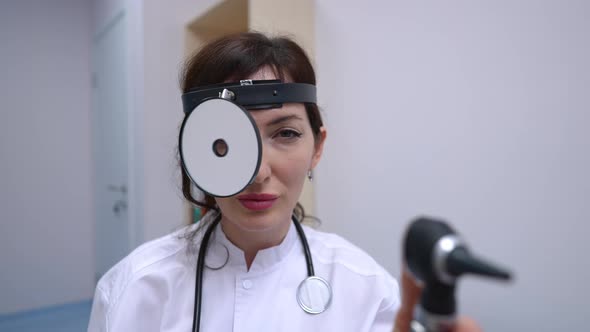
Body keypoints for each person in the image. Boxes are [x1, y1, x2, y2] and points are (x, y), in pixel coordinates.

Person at [88, 32, 480, 332]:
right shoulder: (134, 288)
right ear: (195, 151)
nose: (258, 173)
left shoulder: (367, 292)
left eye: (286, 134)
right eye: (225, 143)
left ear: (317, 146)